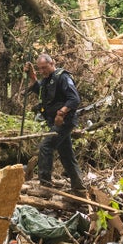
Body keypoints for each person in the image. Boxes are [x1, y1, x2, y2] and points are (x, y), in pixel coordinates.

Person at [25, 52, 85, 193]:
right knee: (66, 153)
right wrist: (32, 77)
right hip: (54, 122)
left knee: (46, 147)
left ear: (52, 63)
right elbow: (41, 92)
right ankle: (79, 187)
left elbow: (74, 99)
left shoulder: (62, 77)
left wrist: (62, 112)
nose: (42, 71)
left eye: (44, 67)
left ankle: (45, 186)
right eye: (40, 68)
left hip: (64, 121)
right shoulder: (47, 79)